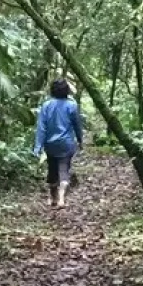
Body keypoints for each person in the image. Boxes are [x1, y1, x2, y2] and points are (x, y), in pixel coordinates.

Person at [33, 79, 84, 208]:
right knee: (64, 168)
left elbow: (41, 127)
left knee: (52, 169)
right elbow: (77, 125)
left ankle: (53, 197)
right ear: (66, 90)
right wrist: (80, 140)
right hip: (66, 143)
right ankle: (61, 199)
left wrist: (38, 147)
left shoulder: (46, 105)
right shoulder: (71, 105)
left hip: (50, 144)